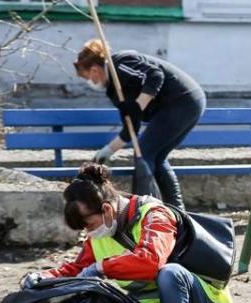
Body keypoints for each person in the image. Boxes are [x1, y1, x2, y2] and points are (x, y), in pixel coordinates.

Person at [21, 164, 232, 303]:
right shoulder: (99, 235)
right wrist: (42, 277)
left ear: (107, 210)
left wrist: (103, 267)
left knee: (171, 274)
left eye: (89, 225)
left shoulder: (155, 216)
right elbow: (75, 270)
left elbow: (150, 261)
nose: (88, 233)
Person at [73, 40, 206, 208]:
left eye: (87, 77)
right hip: (180, 105)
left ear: (94, 70)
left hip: (182, 100)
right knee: (155, 156)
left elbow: (155, 75)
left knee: (143, 152)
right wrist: (106, 152)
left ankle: (146, 209)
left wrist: (138, 105)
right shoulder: (114, 91)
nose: (89, 82)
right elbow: (131, 129)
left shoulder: (120, 65)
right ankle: (175, 210)